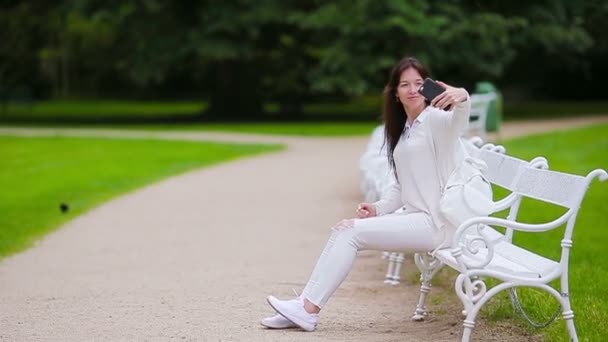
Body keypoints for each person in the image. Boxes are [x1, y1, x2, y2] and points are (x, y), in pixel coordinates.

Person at [261, 56, 471, 332]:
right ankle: (304, 306)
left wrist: (462, 96)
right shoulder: (405, 131)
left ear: (429, 87)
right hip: (415, 218)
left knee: (351, 233)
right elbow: (399, 187)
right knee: (344, 229)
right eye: (404, 84)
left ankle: (306, 310)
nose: (412, 89)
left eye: (419, 83)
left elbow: (458, 123)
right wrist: (378, 208)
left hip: (435, 224)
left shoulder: (435, 122)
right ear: (395, 93)